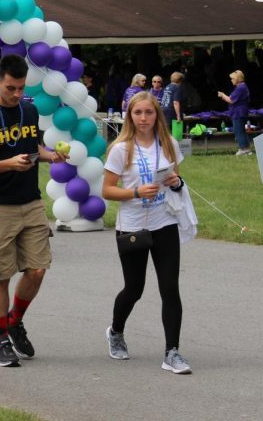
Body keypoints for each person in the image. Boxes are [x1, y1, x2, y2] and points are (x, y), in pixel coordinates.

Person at [0, 54, 66, 367]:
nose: (17, 94)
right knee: (1, 275)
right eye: (11, 88)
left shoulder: (29, 110)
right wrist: (7, 164)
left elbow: (32, 148)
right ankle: (1, 340)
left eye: (21, 88)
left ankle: (15, 321)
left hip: (31, 202)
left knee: (37, 269)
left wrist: (51, 156)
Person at [102, 90, 191, 374]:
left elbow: (174, 180)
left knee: (170, 288)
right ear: (130, 115)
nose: (143, 118)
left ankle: (172, 352)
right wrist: (136, 191)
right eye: (137, 113)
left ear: (157, 115)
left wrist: (176, 183)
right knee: (134, 288)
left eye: (149, 112)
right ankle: (115, 332)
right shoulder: (120, 148)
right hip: (132, 226)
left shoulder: (168, 144)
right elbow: (107, 190)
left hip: (164, 222)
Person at [218, 70, 251, 155]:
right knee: (242, 131)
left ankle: (242, 149)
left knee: (238, 131)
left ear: (237, 79)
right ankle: (247, 149)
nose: (231, 80)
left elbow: (231, 100)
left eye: (232, 78)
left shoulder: (240, 88)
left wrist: (222, 95)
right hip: (241, 112)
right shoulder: (242, 87)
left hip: (238, 112)